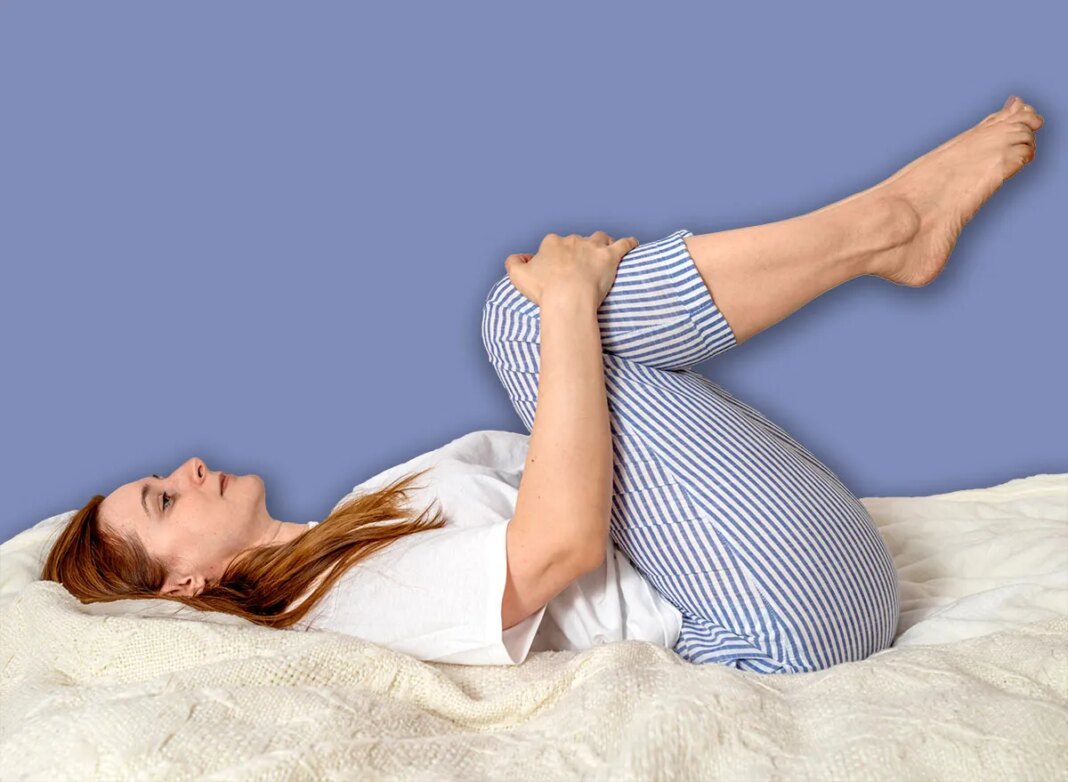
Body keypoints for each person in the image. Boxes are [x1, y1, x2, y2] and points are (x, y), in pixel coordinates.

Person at [40, 95, 1043, 673]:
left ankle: (885, 228)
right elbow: (559, 543)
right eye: (163, 498)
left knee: (562, 323)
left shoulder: (344, 534)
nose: (189, 465)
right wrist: (568, 306)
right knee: (523, 315)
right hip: (775, 620)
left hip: (789, 582)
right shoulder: (332, 602)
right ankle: (885, 227)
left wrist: (591, 312)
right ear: (182, 582)